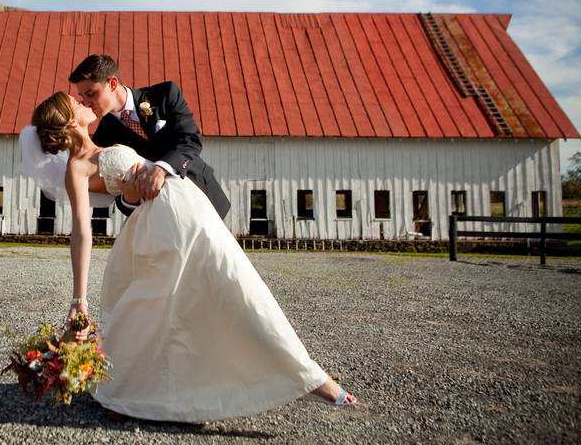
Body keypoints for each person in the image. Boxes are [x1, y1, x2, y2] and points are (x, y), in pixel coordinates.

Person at [22, 92, 357, 423]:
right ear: (69, 120)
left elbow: (134, 189)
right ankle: (304, 377)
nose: (85, 102)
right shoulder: (76, 169)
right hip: (160, 225)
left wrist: (132, 192)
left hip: (186, 204)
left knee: (230, 282)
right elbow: (82, 231)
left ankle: (303, 373)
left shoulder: (102, 143)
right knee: (184, 301)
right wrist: (78, 298)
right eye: (77, 103)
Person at [68, 54, 230, 220]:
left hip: (203, 196)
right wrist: (129, 199)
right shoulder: (103, 138)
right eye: (82, 97)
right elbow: (117, 195)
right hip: (163, 217)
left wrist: (160, 169)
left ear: (113, 83)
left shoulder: (165, 94)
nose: (86, 102)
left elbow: (191, 141)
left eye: (90, 93)